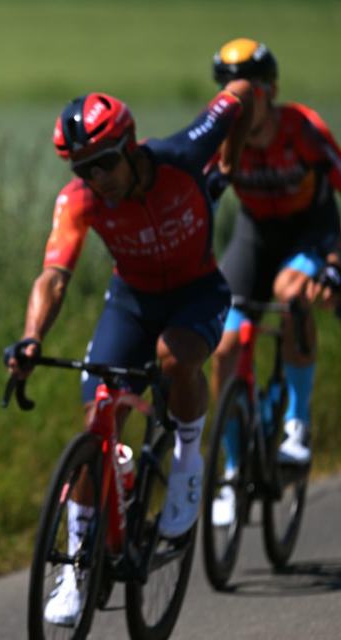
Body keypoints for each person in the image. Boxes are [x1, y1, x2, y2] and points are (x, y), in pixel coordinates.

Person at [4, 83, 252, 624]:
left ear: (131, 144)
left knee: (173, 355)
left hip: (197, 292)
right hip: (132, 301)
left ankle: (188, 459)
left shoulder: (182, 156)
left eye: (105, 163)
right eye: (83, 169)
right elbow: (54, 276)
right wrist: (32, 339)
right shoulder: (80, 200)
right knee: (98, 410)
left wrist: (227, 168)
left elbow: (240, 93)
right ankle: (75, 566)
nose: (96, 178)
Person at [206, 39, 341, 511]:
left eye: (249, 88)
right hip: (256, 235)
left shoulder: (302, 128)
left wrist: (335, 263)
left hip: (311, 231)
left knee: (291, 294)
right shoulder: (222, 133)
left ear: (271, 92)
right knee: (223, 343)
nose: (238, 97)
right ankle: (229, 470)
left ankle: (297, 422)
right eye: (227, 87)